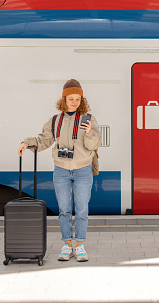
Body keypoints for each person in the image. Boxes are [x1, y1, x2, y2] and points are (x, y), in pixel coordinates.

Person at [18, 79, 101, 262]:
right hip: (61, 170)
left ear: (82, 100)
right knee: (64, 209)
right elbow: (44, 140)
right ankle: (67, 245)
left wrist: (89, 133)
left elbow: (95, 145)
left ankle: (79, 246)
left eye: (78, 99)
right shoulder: (55, 120)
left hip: (83, 170)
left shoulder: (89, 119)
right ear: (64, 99)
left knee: (81, 209)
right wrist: (27, 143)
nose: (74, 102)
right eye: (71, 98)